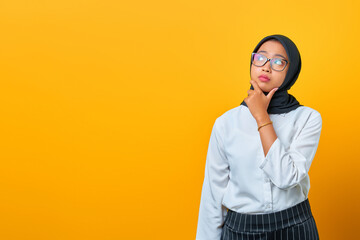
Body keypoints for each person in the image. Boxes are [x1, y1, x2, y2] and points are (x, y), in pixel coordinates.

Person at [195, 34, 322, 240]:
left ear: (292, 71)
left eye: (278, 62)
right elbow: (212, 195)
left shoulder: (307, 118)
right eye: (260, 58)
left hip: (294, 226)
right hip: (241, 230)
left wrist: (261, 115)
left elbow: (285, 178)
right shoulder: (226, 123)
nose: (266, 67)